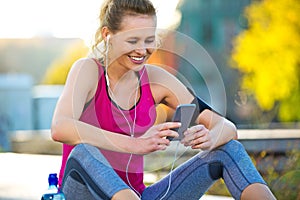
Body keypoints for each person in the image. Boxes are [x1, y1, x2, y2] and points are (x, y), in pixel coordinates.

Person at [51, 0, 276, 199]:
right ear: (107, 35)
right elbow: (60, 127)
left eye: (149, 39)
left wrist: (210, 136)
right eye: (133, 40)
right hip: (81, 192)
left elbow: (227, 127)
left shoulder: (156, 79)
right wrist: (135, 144)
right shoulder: (88, 70)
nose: (142, 49)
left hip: (138, 196)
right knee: (84, 150)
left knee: (229, 149)